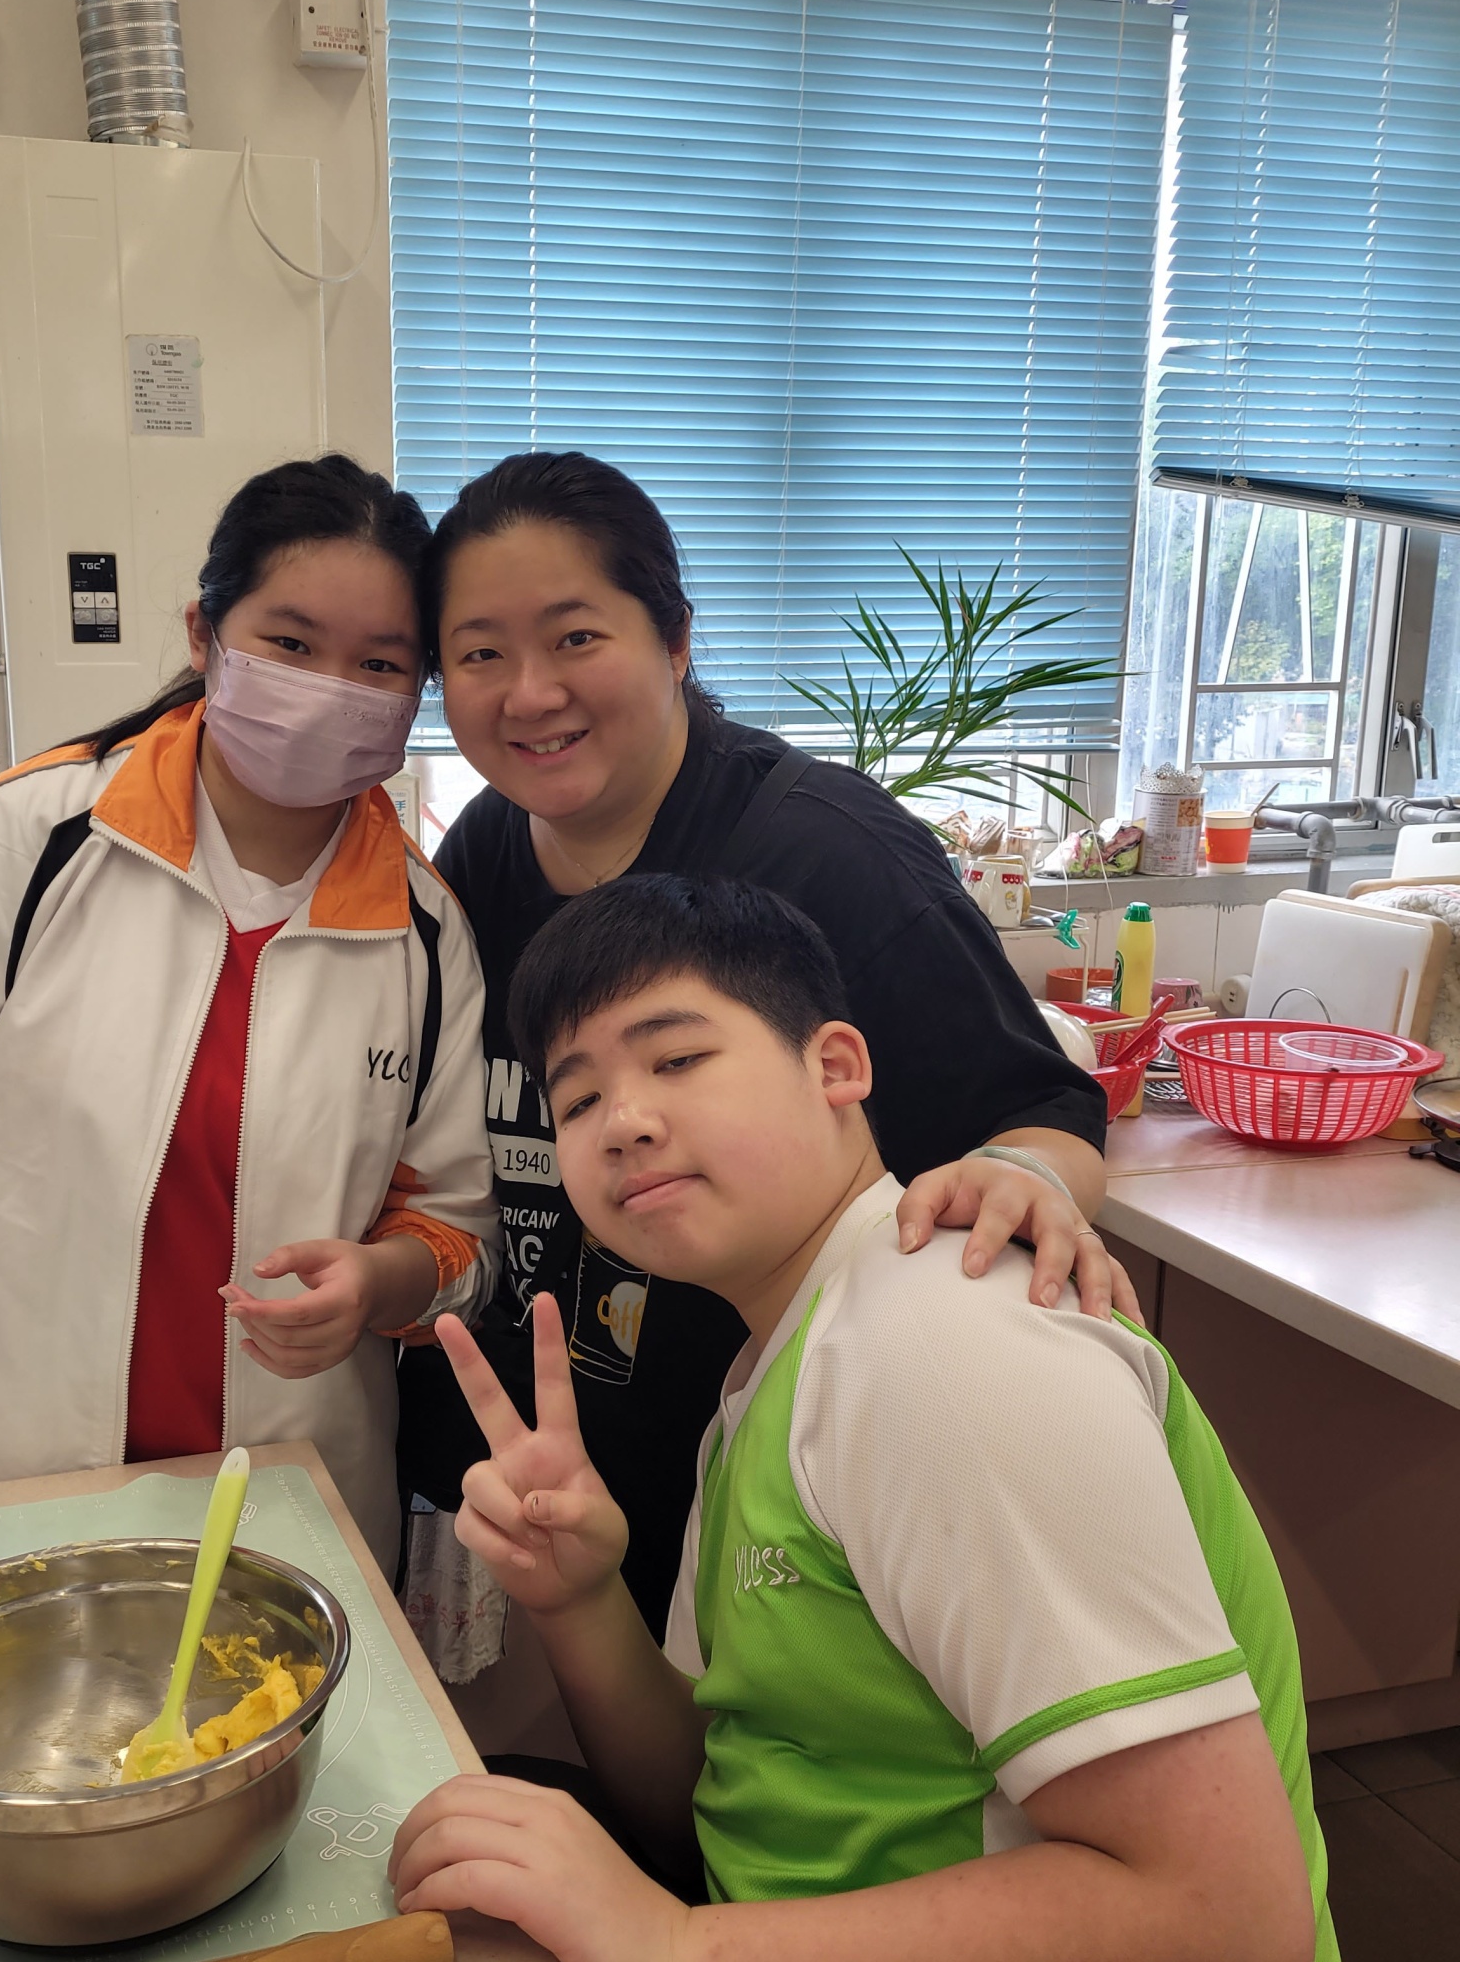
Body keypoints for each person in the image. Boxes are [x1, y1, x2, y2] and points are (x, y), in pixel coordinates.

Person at [393, 873, 1378, 1962]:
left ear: (837, 1066)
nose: (624, 1121)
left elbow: (1225, 1919)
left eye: (678, 1057)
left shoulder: (938, 1347)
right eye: (578, 1094)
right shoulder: (779, 1368)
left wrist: (668, 1957)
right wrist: (582, 1598)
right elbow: (718, 1796)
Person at [397, 451, 1128, 1646]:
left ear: (676, 638)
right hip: (586, 1484)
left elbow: (1045, 1112)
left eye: (576, 637)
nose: (529, 693)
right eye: (479, 654)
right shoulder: (485, 851)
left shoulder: (830, 856)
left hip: (804, 1506)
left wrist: (1021, 1180)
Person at [0, 456, 496, 1573]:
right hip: (6, 1494)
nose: (329, 688)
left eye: (379, 664)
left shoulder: (426, 933)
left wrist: (382, 1284)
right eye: (291, 643)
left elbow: (458, 1230)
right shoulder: (27, 844)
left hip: (297, 1522)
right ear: (204, 633)